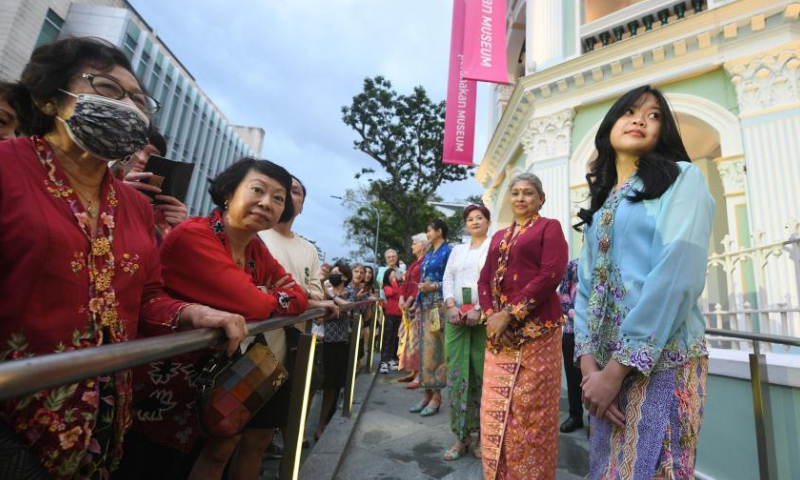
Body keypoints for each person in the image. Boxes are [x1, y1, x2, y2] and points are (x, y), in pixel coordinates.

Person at [0, 37, 246, 480]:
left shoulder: (133, 207)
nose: (130, 107)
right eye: (108, 89)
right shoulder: (7, 168)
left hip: (105, 423)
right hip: (12, 420)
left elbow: (146, 296)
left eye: (138, 99)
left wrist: (192, 313)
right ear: (46, 99)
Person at [119, 158, 309, 480]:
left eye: (278, 198)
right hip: (161, 390)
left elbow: (298, 295)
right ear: (228, 193)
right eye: (257, 190)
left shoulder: (255, 247)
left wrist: (266, 297)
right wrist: (264, 295)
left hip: (211, 386)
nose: (267, 203)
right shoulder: (196, 235)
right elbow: (254, 304)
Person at [573, 85, 714, 480]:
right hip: (600, 373)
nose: (640, 119)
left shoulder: (682, 180)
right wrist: (590, 371)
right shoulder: (603, 205)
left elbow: (677, 275)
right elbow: (584, 288)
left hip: (664, 360)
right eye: (630, 111)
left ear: (662, 133)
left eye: (654, 116)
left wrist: (617, 370)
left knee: (656, 470)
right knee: (608, 470)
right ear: (610, 126)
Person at [241, 175, 336, 472]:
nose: (283, 199)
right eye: (278, 192)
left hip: (288, 353)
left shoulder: (308, 249)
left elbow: (315, 292)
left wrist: (297, 297)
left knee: (259, 438)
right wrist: (298, 296)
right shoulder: (255, 237)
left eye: (292, 193)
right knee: (226, 441)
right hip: (247, 349)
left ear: (301, 205)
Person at [478, 172, 568, 480]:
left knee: (531, 414)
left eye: (528, 193)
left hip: (537, 333)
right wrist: (492, 315)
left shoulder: (549, 227)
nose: (520, 198)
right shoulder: (498, 236)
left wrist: (511, 314)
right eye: (515, 192)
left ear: (540, 198)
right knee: (494, 409)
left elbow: (551, 274)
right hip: (499, 336)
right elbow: (484, 280)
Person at [442, 204, 491, 461]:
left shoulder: (494, 246)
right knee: (457, 373)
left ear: (488, 221)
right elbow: (447, 278)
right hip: (455, 317)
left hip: (483, 319)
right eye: (470, 219)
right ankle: (461, 436)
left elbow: (494, 280)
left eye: (479, 218)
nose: (474, 222)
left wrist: (480, 309)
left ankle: (483, 435)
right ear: (465, 225)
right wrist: (451, 305)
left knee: (482, 375)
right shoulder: (457, 250)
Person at [410, 219, 452, 417]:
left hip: (438, 306)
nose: (427, 234)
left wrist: (434, 287)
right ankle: (426, 394)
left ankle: (437, 396)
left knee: (435, 350)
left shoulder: (448, 252)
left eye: (429, 230)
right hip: (424, 306)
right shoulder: (428, 254)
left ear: (439, 231)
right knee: (424, 350)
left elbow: (452, 281)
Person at [315, 262, 356, 440]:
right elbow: (319, 306)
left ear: (345, 277)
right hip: (320, 341)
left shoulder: (350, 293)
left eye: (337, 273)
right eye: (332, 272)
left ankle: (322, 424)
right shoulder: (324, 289)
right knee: (313, 384)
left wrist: (332, 296)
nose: (333, 275)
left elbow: (347, 308)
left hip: (338, 343)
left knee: (331, 387)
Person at [397, 233, 428, 386]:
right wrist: (402, 298)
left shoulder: (425, 262)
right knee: (410, 339)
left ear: (422, 245)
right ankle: (413, 371)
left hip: (417, 306)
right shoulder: (414, 263)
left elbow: (420, 284)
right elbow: (406, 284)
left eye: (414, 243)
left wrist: (409, 300)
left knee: (417, 339)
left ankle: (420, 375)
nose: (412, 246)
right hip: (408, 305)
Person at [558, 259, 584, 433]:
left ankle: (596, 419)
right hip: (572, 328)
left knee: (593, 373)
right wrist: (572, 312)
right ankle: (575, 415)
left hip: (598, 331)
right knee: (572, 374)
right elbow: (563, 292)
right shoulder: (573, 264)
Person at [377, 248, 401, 370]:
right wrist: (398, 289)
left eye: (393, 256)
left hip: (401, 309)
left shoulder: (401, 270)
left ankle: (393, 358)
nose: (391, 258)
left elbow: (403, 289)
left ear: (396, 257)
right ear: (386, 259)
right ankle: (384, 360)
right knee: (387, 335)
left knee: (397, 335)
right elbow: (384, 286)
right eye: (389, 257)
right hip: (387, 307)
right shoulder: (382, 270)